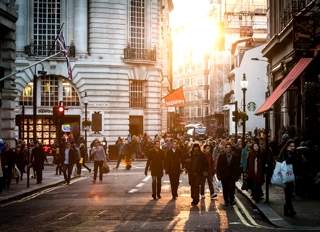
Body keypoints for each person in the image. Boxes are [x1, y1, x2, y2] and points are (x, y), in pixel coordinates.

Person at [278, 139, 297, 217]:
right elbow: (285, 162)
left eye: (293, 146)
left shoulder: (293, 153)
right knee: (288, 193)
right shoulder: (285, 153)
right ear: (287, 146)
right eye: (291, 146)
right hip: (286, 176)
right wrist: (290, 155)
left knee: (289, 193)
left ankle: (287, 210)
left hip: (291, 175)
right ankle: (290, 210)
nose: (293, 147)